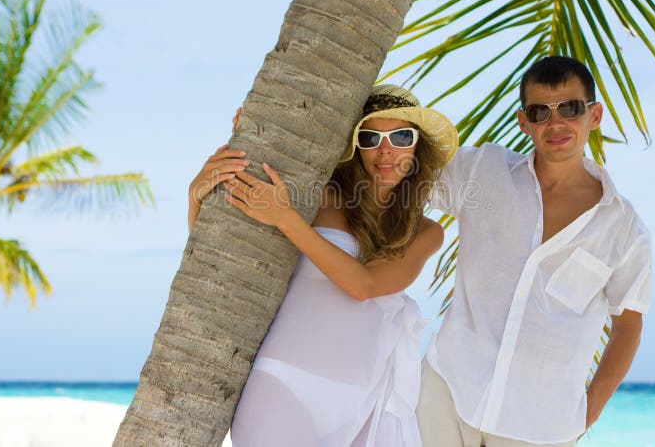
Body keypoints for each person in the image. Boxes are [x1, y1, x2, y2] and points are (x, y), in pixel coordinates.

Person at [187, 85, 459, 446]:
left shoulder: (425, 232)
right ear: (355, 146)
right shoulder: (321, 197)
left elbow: (364, 286)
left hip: (362, 400)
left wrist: (286, 218)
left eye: (401, 136)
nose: (386, 149)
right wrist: (197, 194)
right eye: (370, 137)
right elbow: (230, 255)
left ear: (417, 146)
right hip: (281, 384)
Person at [416, 56, 652, 447]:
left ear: (594, 115)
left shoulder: (624, 228)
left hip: (541, 427)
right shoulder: (482, 172)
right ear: (524, 122)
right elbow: (401, 179)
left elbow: (628, 327)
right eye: (540, 112)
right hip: (448, 391)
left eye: (570, 109)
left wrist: (584, 415)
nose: (555, 123)